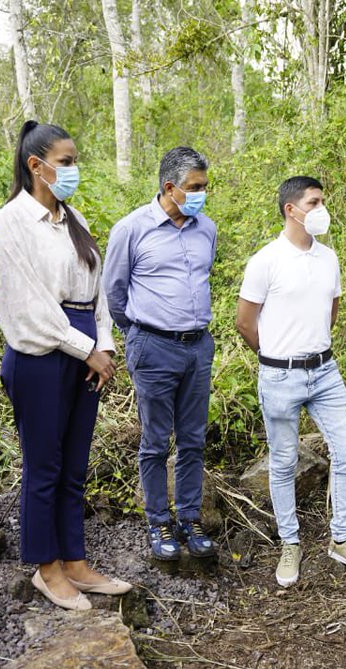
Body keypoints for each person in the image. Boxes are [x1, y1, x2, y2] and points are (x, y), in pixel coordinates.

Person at [0, 121, 133, 610]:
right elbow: (29, 306)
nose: (74, 170)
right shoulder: (14, 220)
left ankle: (75, 560)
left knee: (74, 465)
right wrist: (85, 348)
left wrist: (106, 347)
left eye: (75, 160)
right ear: (37, 165)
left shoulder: (70, 217)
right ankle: (45, 568)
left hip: (84, 353)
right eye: (66, 161)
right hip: (41, 356)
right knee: (44, 466)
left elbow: (94, 294)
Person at [235, 176, 346, 587]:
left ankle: (342, 538)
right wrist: (276, 357)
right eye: (314, 202)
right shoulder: (266, 260)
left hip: (325, 372)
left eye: (323, 201)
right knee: (283, 462)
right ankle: (290, 544)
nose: (322, 209)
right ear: (291, 209)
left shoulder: (328, 258)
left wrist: (311, 346)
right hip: (280, 373)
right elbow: (244, 323)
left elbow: (331, 310)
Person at [102, 147, 219, 561]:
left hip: (197, 346)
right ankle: (159, 522)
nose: (204, 193)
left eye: (205, 186)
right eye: (196, 187)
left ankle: (189, 519)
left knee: (192, 439)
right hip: (152, 346)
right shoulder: (131, 229)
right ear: (170, 187)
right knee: (154, 442)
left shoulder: (207, 228)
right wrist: (136, 334)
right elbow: (113, 292)